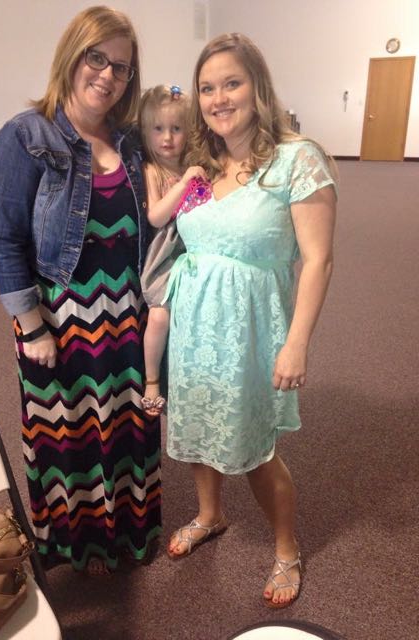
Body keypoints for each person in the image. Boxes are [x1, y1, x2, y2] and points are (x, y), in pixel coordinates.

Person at [0, 6, 161, 575]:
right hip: (58, 322)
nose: (108, 75)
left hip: (127, 320)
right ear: (73, 56)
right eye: (97, 58)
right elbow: (2, 237)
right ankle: (74, 546)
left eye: (122, 68)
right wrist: (31, 324)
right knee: (71, 438)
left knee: (129, 430)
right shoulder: (25, 136)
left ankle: (130, 537)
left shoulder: (133, 141)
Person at [164, 33, 337, 609]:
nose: (218, 98)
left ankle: (286, 548)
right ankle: (210, 515)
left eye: (231, 83)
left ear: (257, 87)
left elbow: (317, 259)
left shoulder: (297, 159)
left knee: (257, 449)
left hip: (251, 332)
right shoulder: (201, 165)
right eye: (207, 87)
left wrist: (297, 343)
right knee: (196, 433)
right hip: (193, 326)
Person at [137, 85, 206, 416]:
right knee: (160, 315)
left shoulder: (196, 166)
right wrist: (183, 185)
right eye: (158, 129)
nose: (168, 138)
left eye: (176, 129)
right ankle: (152, 380)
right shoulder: (154, 170)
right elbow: (156, 215)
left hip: (196, 252)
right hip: (166, 256)